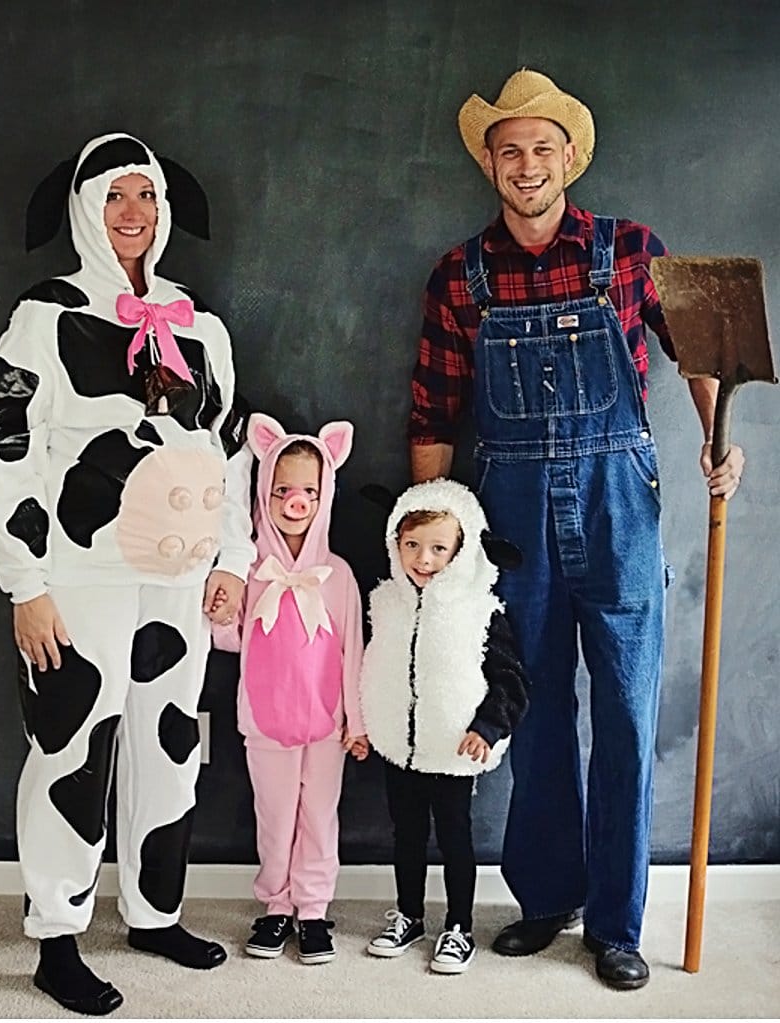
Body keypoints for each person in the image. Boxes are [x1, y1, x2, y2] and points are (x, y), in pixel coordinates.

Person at [407, 69, 745, 990]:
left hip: (618, 511)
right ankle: (547, 897)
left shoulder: (634, 251)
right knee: (537, 706)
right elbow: (434, 413)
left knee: (629, 714)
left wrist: (721, 443)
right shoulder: (459, 274)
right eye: (509, 150)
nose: (526, 166)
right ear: (490, 161)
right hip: (507, 518)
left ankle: (617, 922)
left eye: (541, 149)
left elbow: (703, 354)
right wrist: (426, 536)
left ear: (568, 158)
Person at [0, 133, 256, 1015]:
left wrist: (234, 559)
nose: (132, 214)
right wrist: (27, 581)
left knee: (169, 746)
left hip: (174, 578)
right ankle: (57, 935)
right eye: (114, 197)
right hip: (79, 572)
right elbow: (2, 446)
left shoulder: (198, 322)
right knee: (70, 748)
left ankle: (153, 910)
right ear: (85, 210)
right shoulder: (44, 317)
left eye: (145, 196)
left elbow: (231, 446)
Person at [212, 412, 368, 965]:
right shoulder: (250, 567)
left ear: (325, 496)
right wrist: (221, 611)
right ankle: (275, 905)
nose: (294, 502)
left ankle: (314, 910)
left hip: (326, 727)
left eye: (308, 491)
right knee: (274, 816)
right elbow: (229, 642)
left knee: (320, 816)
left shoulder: (339, 575)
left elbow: (353, 653)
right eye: (282, 490)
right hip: (265, 722)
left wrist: (357, 722)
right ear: (265, 492)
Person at [359, 478, 529, 974]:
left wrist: (488, 728)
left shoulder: (479, 610)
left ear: (460, 549)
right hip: (398, 746)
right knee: (405, 835)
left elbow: (511, 681)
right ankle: (409, 914)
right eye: (411, 545)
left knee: (455, 838)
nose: (423, 559)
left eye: (438, 548)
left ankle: (459, 927)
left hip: (455, 748)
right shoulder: (386, 601)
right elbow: (375, 665)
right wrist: (367, 722)